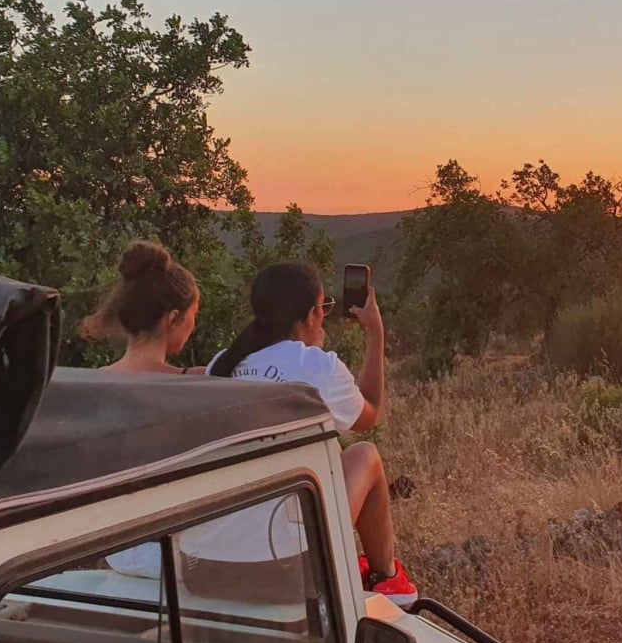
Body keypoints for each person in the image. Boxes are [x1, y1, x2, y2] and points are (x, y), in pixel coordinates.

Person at [208, 262, 417, 607]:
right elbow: (371, 413)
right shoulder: (316, 367)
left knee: (328, 446)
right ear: (310, 314)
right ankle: (387, 577)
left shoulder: (222, 364)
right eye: (324, 308)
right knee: (364, 454)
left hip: (211, 560)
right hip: (285, 563)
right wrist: (375, 334)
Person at [81, 241, 205, 374]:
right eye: (194, 314)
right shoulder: (200, 383)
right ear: (173, 319)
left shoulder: (96, 378)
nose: (193, 326)